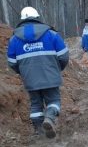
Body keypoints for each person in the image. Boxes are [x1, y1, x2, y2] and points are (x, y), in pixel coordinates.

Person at [7, 7, 69, 139]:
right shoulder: (51, 35)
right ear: (37, 17)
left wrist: (24, 72)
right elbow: (63, 56)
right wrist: (57, 69)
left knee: (35, 104)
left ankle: (39, 131)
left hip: (30, 78)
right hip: (50, 76)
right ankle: (49, 118)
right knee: (54, 100)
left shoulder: (14, 40)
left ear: (22, 20)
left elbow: (12, 62)